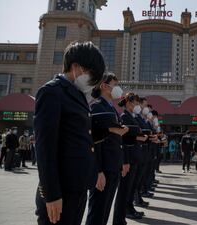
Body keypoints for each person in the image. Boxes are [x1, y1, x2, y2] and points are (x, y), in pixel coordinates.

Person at [34, 41, 105, 225]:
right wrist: (51, 194)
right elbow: (45, 147)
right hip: (60, 190)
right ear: (75, 67)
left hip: (78, 186)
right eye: (92, 74)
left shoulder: (78, 95)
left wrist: (94, 171)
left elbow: (84, 139)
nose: (93, 82)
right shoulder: (52, 92)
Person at [86, 73, 129, 225]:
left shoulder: (111, 108)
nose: (117, 88)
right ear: (104, 86)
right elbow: (95, 141)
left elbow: (117, 140)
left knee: (104, 210)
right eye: (115, 84)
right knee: (97, 212)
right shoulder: (97, 106)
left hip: (113, 166)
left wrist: (121, 162)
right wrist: (98, 171)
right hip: (103, 168)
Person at [113, 93, 147, 223]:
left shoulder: (131, 116)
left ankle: (128, 210)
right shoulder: (124, 116)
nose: (136, 105)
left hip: (135, 156)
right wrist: (125, 161)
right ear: (128, 103)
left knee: (130, 188)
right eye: (135, 103)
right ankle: (119, 218)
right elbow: (124, 139)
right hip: (129, 156)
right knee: (123, 191)